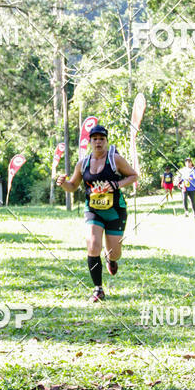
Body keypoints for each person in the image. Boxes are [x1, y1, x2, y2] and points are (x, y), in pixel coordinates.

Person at [56, 125, 138, 302]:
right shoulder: (82, 164)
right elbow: (72, 186)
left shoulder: (115, 160)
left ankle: (111, 259)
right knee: (93, 245)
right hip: (93, 211)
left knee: (115, 253)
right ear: (90, 142)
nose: (98, 142)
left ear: (106, 141)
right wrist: (63, 183)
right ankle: (98, 289)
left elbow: (133, 176)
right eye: (95, 139)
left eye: (102, 139)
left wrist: (117, 185)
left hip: (115, 211)